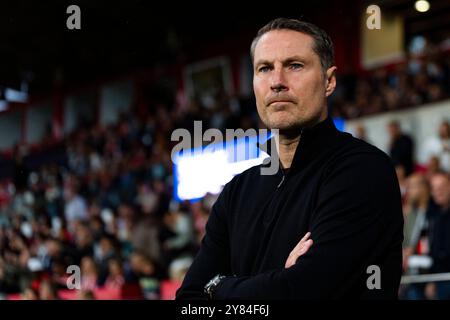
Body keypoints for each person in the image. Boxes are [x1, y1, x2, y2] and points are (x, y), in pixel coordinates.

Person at [176, 18, 403, 300]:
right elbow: (189, 301)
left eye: (294, 65)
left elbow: (305, 292)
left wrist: (218, 287)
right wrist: (279, 280)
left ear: (329, 81)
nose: (277, 82)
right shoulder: (236, 192)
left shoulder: (362, 170)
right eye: (265, 68)